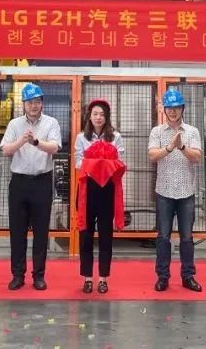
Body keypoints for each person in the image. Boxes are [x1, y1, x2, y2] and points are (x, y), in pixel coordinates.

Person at [1, 83, 62, 291]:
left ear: (42, 103)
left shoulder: (51, 123)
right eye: (29, 102)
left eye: (37, 102)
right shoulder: (14, 124)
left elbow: (54, 147)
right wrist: (22, 140)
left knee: (41, 232)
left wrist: (36, 142)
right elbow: (6, 150)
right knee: (17, 232)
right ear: (23, 104)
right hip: (19, 183)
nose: (33, 106)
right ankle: (17, 275)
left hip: (42, 182)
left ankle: (39, 276)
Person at [148, 88, 204, 293]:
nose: (173, 111)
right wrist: (170, 147)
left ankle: (188, 276)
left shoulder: (192, 131)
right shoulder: (157, 132)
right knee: (163, 236)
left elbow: (197, 157)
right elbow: (152, 156)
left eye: (177, 107)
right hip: (164, 192)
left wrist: (182, 147)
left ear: (183, 108)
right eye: (169, 107)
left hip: (186, 192)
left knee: (187, 237)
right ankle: (163, 277)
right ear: (164, 109)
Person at [74, 98, 125, 294]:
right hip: (87, 189)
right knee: (85, 234)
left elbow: (119, 161)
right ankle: (87, 278)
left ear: (107, 117)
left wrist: (100, 163)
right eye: (95, 114)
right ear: (89, 116)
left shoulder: (116, 137)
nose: (98, 117)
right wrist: (98, 163)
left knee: (106, 235)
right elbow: (78, 162)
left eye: (102, 114)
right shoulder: (81, 137)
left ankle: (103, 278)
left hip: (107, 190)